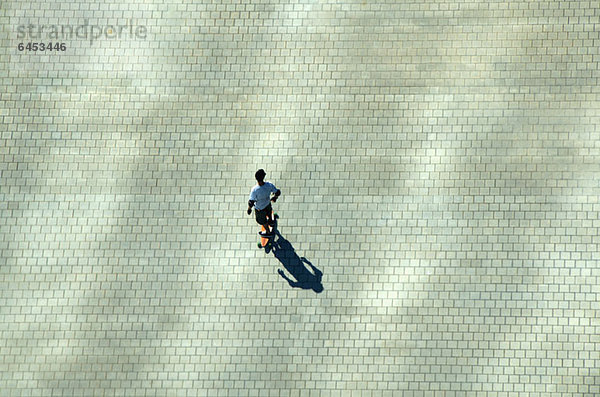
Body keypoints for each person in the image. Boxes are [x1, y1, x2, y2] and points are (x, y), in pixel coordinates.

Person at [247, 169, 281, 236]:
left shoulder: (255, 190)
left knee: (262, 220)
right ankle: (271, 222)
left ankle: (268, 232)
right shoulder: (269, 185)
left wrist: (249, 209)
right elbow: (278, 192)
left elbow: (251, 202)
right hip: (268, 204)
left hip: (260, 209)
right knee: (269, 213)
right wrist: (275, 198)